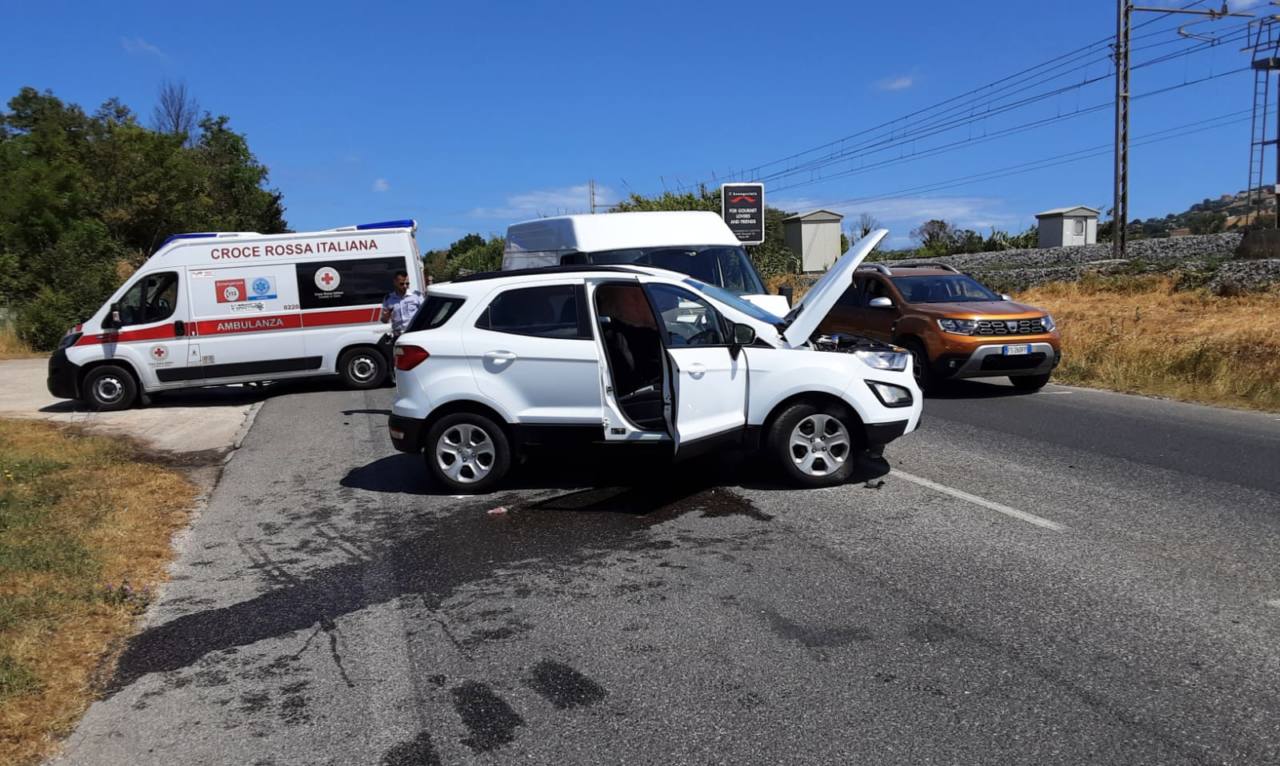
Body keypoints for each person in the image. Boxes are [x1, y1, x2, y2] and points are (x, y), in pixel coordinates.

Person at [381, 269, 425, 338]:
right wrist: (387, 315)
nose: (405, 286)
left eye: (407, 283)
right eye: (401, 284)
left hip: (414, 334)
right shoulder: (388, 298)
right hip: (398, 336)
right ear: (395, 282)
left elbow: (425, 314)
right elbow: (384, 321)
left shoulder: (416, 296)